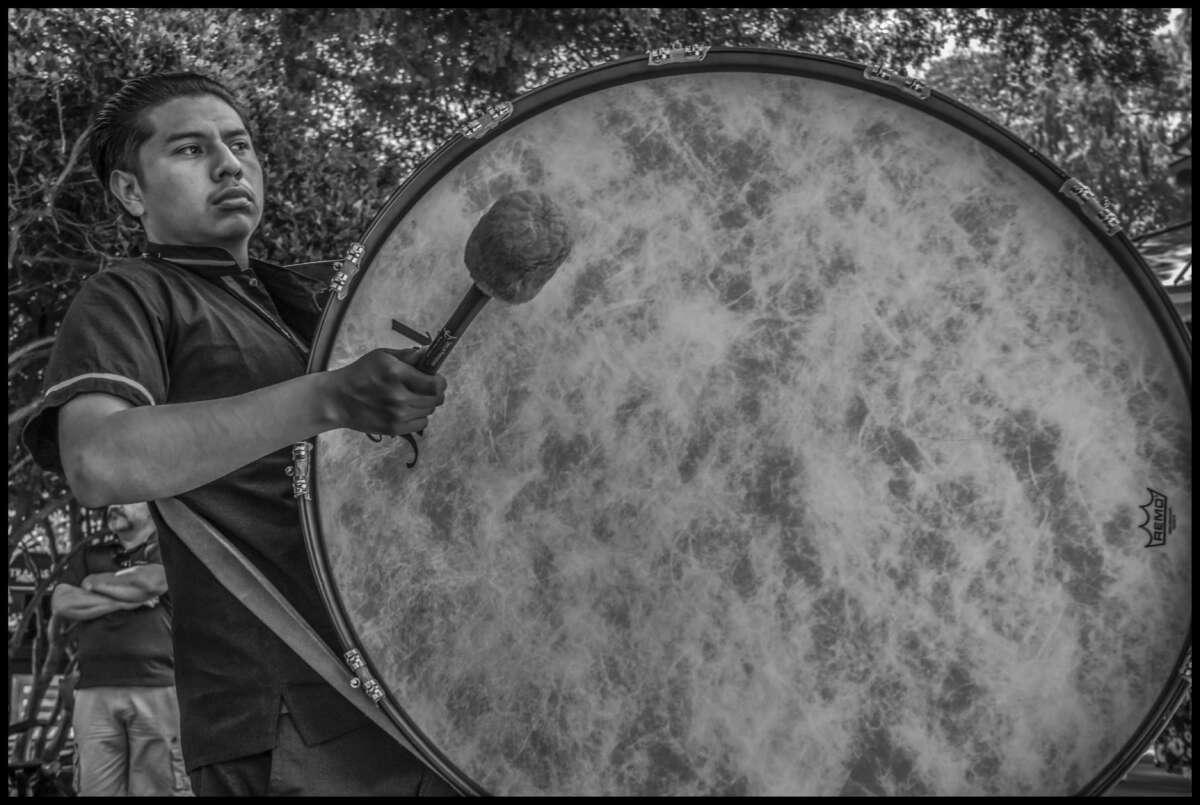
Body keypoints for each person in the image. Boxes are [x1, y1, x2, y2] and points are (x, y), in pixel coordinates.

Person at [23, 72, 452, 796]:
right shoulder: (132, 293)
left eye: (240, 144)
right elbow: (98, 458)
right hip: (286, 709)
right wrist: (328, 396)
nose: (229, 165)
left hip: (413, 690)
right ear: (131, 192)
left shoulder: (307, 303)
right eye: (190, 149)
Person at [51, 501, 191, 796]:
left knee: (159, 789)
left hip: (159, 686)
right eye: (112, 500)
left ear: (152, 507)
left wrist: (93, 582)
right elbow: (63, 603)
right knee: (94, 790)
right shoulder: (90, 555)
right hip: (94, 688)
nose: (115, 505)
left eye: (126, 499)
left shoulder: (169, 548)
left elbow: (154, 582)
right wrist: (126, 600)